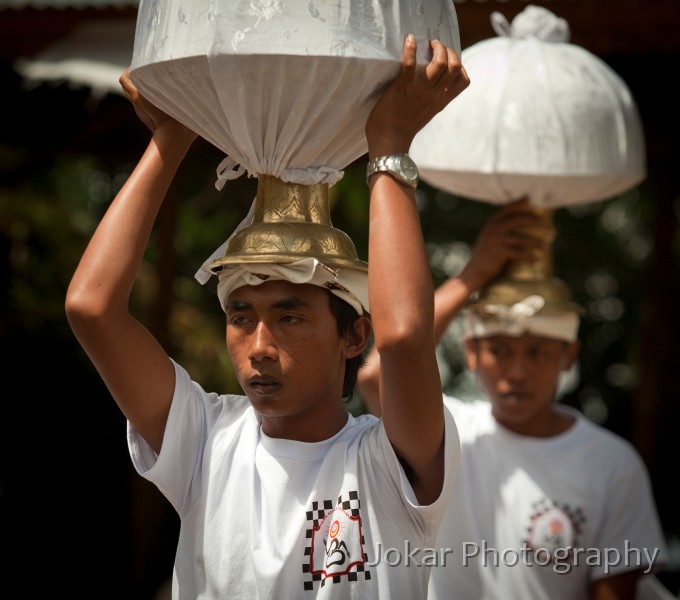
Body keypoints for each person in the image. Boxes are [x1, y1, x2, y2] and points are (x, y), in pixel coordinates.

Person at [65, 35, 470, 599]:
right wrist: (171, 137)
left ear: (355, 333)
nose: (259, 345)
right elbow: (92, 308)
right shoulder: (207, 439)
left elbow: (403, 339)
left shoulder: (386, 462)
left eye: (291, 317)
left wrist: (388, 149)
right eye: (240, 315)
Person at [357, 199, 669, 599]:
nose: (518, 370)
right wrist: (473, 275)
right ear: (471, 352)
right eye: (499, 350)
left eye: (537, 351)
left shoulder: (611, 463)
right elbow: (376, 376)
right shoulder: (450, 432)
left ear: (568, 356)